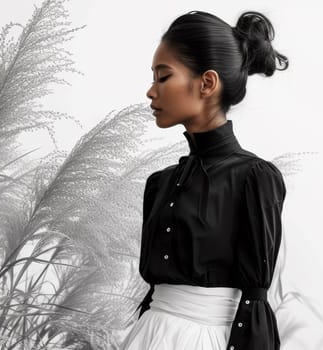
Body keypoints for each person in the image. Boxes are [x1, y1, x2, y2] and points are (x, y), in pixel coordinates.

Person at [120, 10, 289, 350]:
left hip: (207, 340)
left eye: (162, 77)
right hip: (146, 336)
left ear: (207, 83)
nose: (151, 92)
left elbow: (255, 300)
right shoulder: (160, 184)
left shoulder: (254, 178)